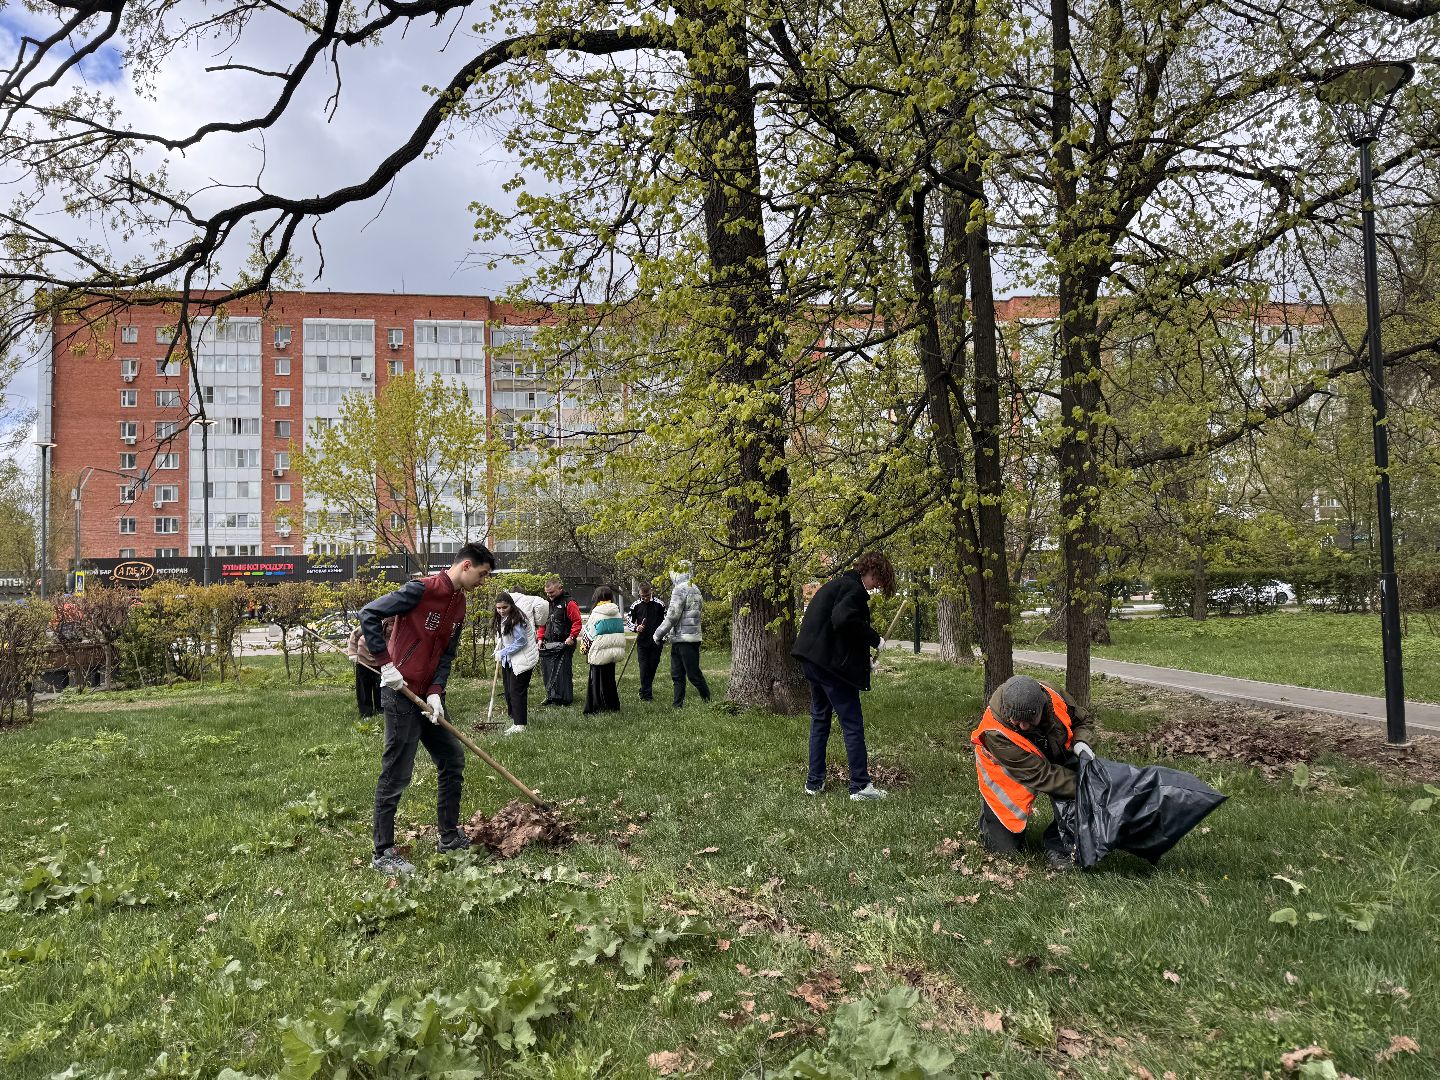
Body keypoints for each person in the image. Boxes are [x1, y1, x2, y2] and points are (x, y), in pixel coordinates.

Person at [359, 541, 494, 875]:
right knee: (397, 772)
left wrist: (436, 691)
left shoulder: (459, 605)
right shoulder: (420, 590)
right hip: (400, 693)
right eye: (482, 573)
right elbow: (369, 614)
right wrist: (386, 665)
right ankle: (383, 852)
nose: (483, 581)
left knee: (452, 759)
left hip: (428, 698)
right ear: (466, 565)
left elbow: (446, 654)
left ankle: (448, 837)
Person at [792, 551, 896, 801]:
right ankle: (860, 786)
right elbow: (844, 619)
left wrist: (864, 660)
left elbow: (839, 634)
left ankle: (814, 783)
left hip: (813, 662)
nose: (876, 587)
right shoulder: (854, 590)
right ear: (871, 572)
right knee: (852, 723)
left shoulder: (838, 585)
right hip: (828, 667)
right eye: (877, 581)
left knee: (820, 720)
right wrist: (874, 639)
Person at [970, 674, 1097, 870]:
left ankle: (1059, 843)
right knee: (1005, 852)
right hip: (1011, 771)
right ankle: (991, 823)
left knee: (1082, 778)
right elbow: (1042, 775)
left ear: (1041, 707)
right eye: (1016, 721)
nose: (1022, 726)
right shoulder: (996, 733)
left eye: (1029, 720)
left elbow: (1082, 720)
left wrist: (1082, 742)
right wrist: (1084, 785)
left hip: (1051, 751)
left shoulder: (1053, 695)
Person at [651, 561, 709, 706]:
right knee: (680, 674)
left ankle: (707, 700)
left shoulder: (680, 589)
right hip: (688, 636)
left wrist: (658, 634)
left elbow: (672, 616)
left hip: (684, 638)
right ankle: (678, 704)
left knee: (690, 674)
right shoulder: (695, 588)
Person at [494, 592, 539, 735]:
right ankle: (515, 720)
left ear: (511, 605)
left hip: (523, 659)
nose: (501, 611)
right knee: (508, 691)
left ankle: (520, 725)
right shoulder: (504, 618)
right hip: (510, 661)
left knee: (516, 691)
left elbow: (521, 641)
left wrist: (504, 652)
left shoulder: (517, 619)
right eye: (498, 608)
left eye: (504, 607)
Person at [538, 576, 583, 706]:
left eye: (551, 592)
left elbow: (577, 622)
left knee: (562, 670)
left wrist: (572, 637)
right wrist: (540, 638)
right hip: (548, 643)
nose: (549, 595)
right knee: (548, 670)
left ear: (560, 588)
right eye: (547, 593)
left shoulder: (569, 603)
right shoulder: (546, 604)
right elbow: (542, 624)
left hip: (565, 643)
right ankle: (551, 696)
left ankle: (565, 698)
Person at [582, 586, 627, 713]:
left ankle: (596, 706)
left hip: (599, 651)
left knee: (596, 681)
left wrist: (584, 648)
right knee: (609, 680)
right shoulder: (617, 612)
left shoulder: (596, 613)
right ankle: (612, 706)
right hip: (613, 652)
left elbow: (589, 633)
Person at [626, 580, 667, 701]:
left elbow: (666, 621)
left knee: (652, 667)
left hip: (657, 641)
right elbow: (629, 621)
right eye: (642, 596)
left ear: (651, 592)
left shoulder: (660, 604)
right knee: (644, 667)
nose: (645, 599)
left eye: (647, 596)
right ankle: (647, 696)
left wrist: (663, 635)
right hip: (642, 642)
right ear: (639, 594)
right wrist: (635, 627)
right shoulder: (636, 605)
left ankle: (644, 690)